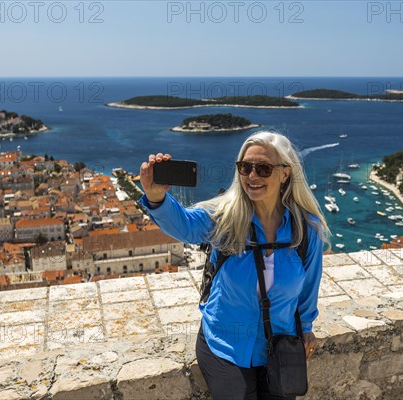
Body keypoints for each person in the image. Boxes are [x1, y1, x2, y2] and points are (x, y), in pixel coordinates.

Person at [139, 131, 330, 399]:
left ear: (285, 173)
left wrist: (306, 328)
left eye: (263, 168)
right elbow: (185, 226)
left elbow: (310, 285)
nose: (252, 176)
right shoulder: (224, 218)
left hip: (279, 344)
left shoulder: (305, 229)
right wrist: (157, 198)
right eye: (245, 167)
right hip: (225, 345)